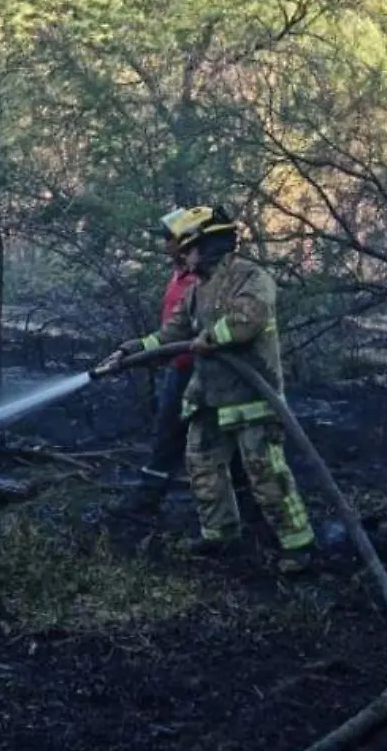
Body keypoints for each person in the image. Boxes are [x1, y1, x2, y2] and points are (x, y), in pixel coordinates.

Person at [102, 205, 317, 573]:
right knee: (202, 467)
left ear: (208, 245)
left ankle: (297, 546)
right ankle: (219, 535)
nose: (181, 256)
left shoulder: (251, 277)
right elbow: (173, 333)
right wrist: (133, 350)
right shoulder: (196, 290)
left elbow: (248, 320)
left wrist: (212, 337)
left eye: (187, 248)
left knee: (266, 474)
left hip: (253, 399)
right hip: (207, 398)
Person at [112, 208, 203, 520]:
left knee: (199, 440)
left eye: (170, 238)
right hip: (178, 366)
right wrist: (136, 350)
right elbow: (172, 329)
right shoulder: (179, 274)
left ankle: (246, 512)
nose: (165, 245)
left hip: (203, 371)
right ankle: (148, 499)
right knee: (167, 434)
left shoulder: (204, 280)